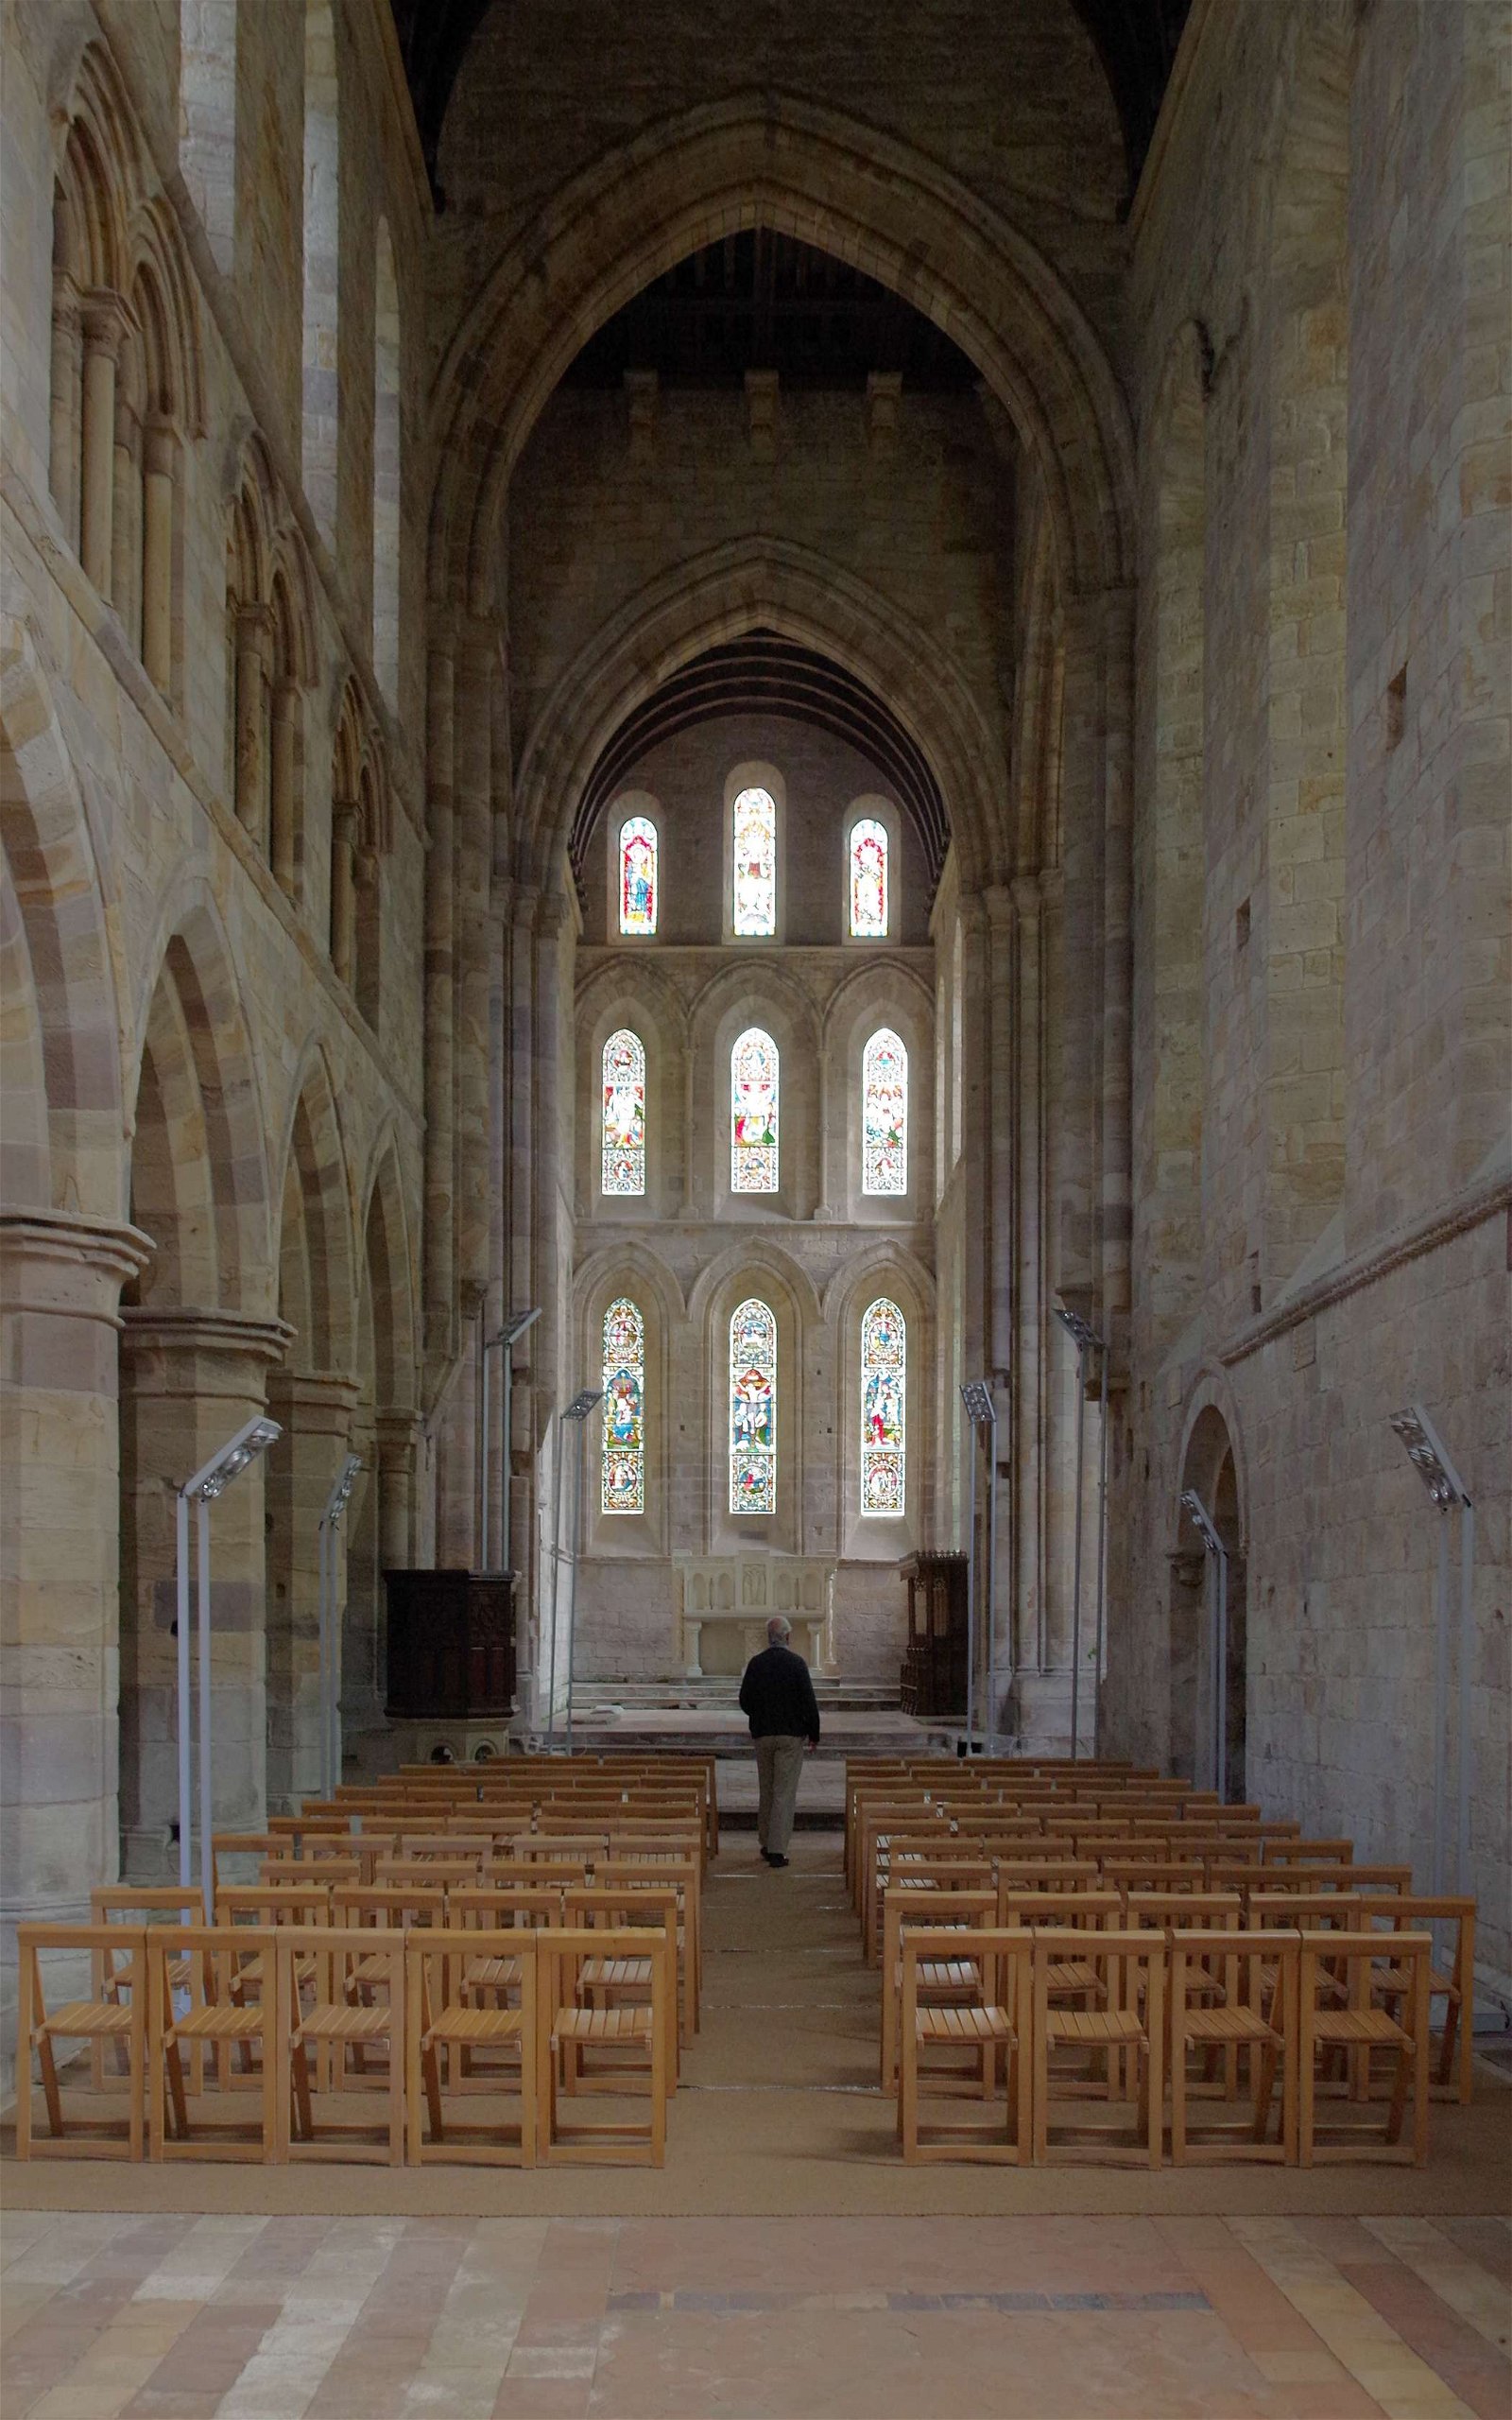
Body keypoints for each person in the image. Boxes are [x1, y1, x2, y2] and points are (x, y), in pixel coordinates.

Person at [737, 1616, 821, 1868]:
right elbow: (809, 1701)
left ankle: (765, 1842)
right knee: (783, 1792)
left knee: (767, 1789)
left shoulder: (757, 1663)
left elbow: (744, 1700)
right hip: (790, 1735)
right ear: (787, 1637)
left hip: (763, 1735)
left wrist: (759, 1716)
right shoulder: (796, 1664)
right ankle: (777, 1849)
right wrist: (813, 1733)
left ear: (768, 1638)